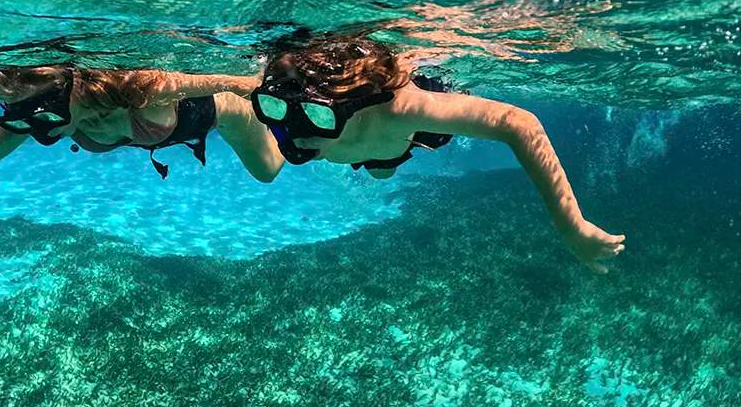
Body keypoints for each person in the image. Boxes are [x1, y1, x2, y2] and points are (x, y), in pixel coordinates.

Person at [249, 33, 625, 270]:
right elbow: (236, 86)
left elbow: (519, 123)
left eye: (315, 116)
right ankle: (374, 161)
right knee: (376, 169)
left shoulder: (400, 110)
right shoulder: (291, 105)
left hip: (396, 140)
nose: (293, 136)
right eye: (276, 111)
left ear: (348, 106)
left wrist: (571, 226)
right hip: (370, 148)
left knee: (382, 167)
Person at [0, 62, 283, 185]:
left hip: (212, 110)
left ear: (73, 91)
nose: (37, 125)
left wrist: (268, 91)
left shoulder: (135, 87)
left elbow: (238, 82)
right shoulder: (35, 116)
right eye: (17, 113)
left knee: (270, 170)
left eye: (44, 110)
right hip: (158, 130)